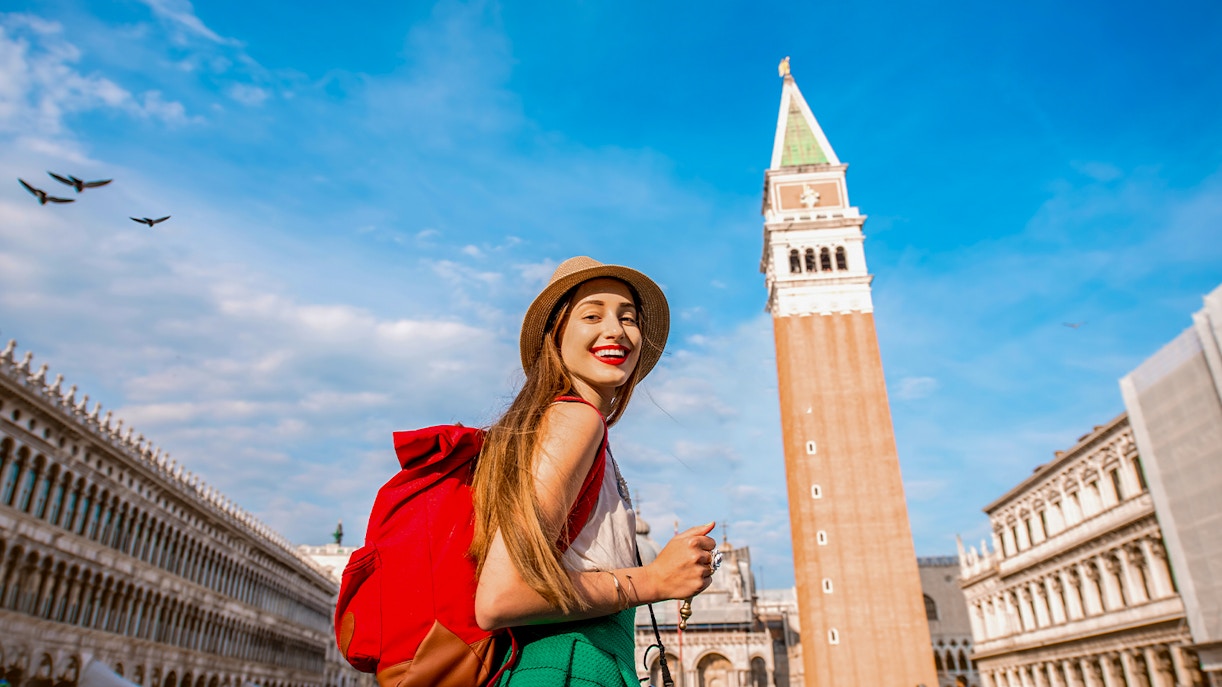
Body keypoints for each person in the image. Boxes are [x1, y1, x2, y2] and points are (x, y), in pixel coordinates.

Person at [470, 256, 718, 686]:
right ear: (556, 335)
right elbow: (499, 598)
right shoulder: (575, 420)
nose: (617, 330)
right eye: (592, 315)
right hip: (570, 669)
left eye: (629, 318)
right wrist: (657, 579)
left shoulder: (556, 424)